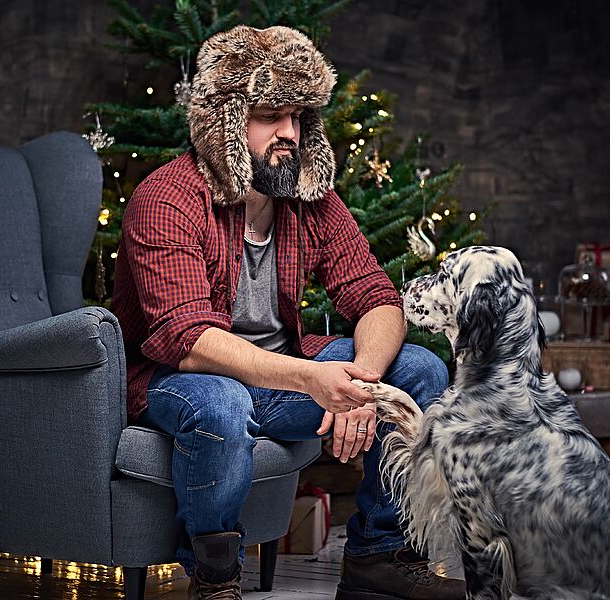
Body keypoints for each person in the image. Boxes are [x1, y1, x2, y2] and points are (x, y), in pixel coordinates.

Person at [110, 25, 465, 600]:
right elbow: (189, 339)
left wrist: (363, 383)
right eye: (272, 115)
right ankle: (215, 576)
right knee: (222, 400)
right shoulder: (166, 198)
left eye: (298, 117)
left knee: (420, 370)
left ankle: (377, 554)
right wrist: (314, 379)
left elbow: (377, 297)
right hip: (177, 379)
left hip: (280, 376)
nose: (289, 134)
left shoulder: (308, 199)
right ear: (226, 122)